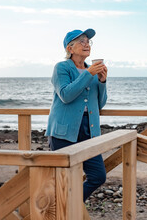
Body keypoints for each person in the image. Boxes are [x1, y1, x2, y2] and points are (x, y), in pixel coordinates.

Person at [45, 28, 108, 202]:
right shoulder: (62, 68)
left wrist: (102, 81)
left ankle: (67, 204)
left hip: (90, 130)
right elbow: (66, 95)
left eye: (88, 41)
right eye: (81, 41)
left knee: (98, 176)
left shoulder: (92, 70)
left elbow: (100, 103)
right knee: (62, 178)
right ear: (69, 49)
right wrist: (88, 74)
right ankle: (60, 209)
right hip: (63, 130)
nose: (86, 44)